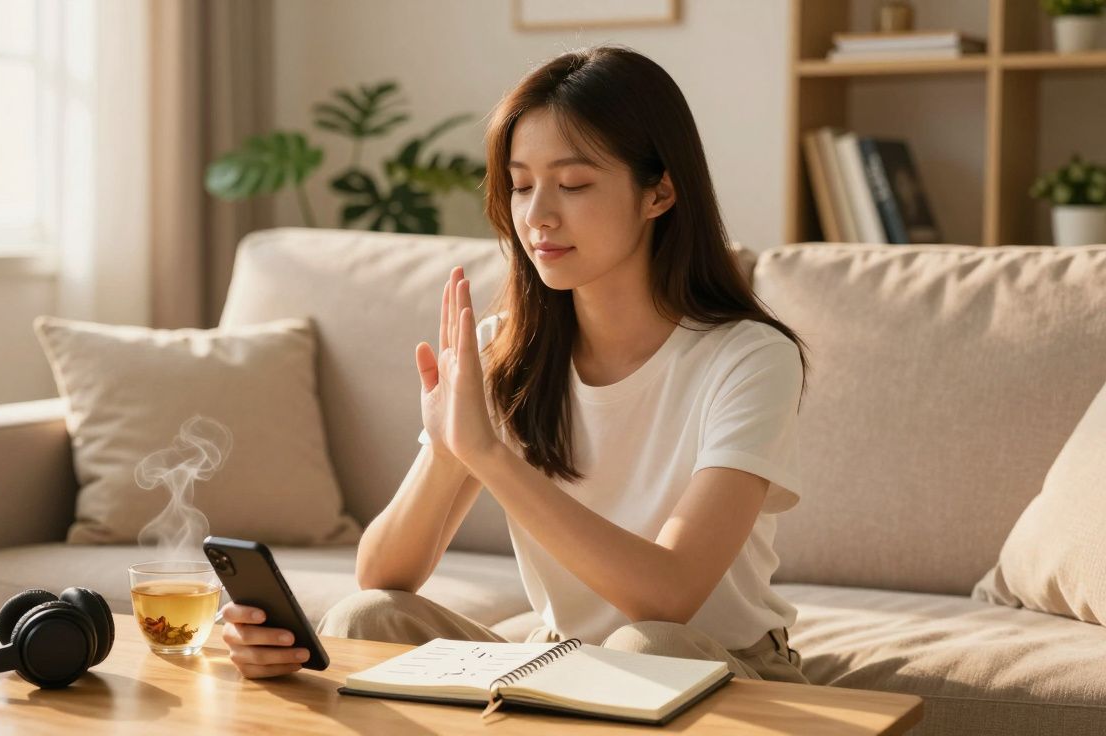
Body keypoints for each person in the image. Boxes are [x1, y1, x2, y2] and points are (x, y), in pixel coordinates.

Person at [220, 44, 811, 684]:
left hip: (715, 663)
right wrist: (448, 449)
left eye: (573, 184)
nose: (536, 217)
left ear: (659, 192)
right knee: (368, 617)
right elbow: (383, 575)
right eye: (521, 186)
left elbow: (670, 599)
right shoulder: (507, 350)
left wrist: (489, 455)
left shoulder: (749, 358)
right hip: (561, 660)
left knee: (649, 646)